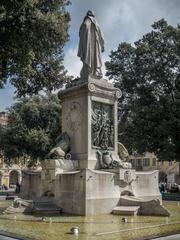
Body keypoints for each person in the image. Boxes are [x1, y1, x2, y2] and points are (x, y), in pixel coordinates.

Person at [78, 10, 105, 80]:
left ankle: (88, 72)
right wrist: (102, 45)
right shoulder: (96, 23)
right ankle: (96, 72)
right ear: (93, 15)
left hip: (87, 44)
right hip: (95, 44)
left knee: (88, 57)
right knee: (95, 58)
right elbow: (100, 34)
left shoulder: (85, 21)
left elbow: (82, 31)